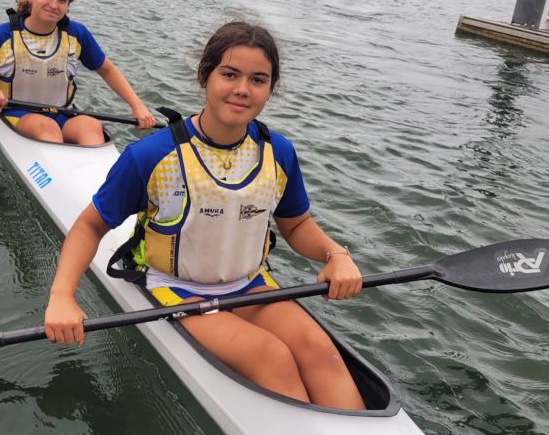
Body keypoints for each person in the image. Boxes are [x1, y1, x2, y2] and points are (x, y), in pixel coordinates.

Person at [44, 21, 366, 411]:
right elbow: (90, 225)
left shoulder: (278, 152)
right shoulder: (151, 155)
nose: (243, 89)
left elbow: (296, 225)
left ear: (270, 89)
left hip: (249, 285)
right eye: (230, 74)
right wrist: (62, 297)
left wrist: (337, 255)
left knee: (321, 351)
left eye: (258, 79)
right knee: (270, 355)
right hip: (177, 288)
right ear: (205, 76)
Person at [0, 0, 156, 145]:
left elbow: (107, 69)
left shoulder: (76, 34)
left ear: (68, 5)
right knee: (47, 128)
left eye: (62, 0)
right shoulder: (0, 37)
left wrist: (137, 106)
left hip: (61, 112)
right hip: (14, 112)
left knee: (92, 126)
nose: (54, 5)